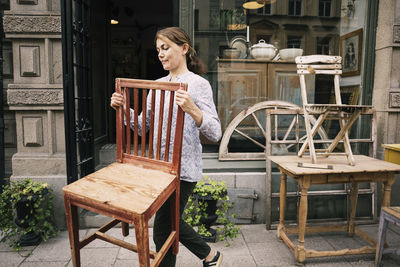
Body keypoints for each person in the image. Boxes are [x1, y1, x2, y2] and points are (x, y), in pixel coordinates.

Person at [110, 27, 223, 267]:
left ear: (184, 49)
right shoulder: (158, 84)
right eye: (159, 49)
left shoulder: (199, 85)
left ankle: (210, 256)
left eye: (166, 48)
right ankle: (210, 256)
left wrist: (193, 108)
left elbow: (215, 132)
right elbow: (142, 127)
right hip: (158, 169)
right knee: (167, 227)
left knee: (164, 228)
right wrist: (123, 107)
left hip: (183, 169)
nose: (160, 54)